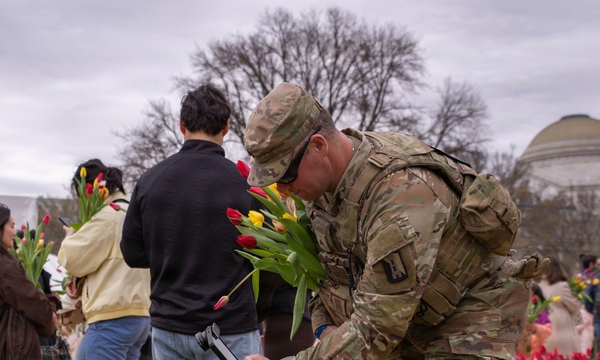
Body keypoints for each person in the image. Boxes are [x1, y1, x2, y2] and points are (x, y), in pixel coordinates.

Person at [242, 82, 548, 359]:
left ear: (319, 146)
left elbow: (376, 331)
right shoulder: (323, 189)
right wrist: (326, 331)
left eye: (284, 174)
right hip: (410, 322)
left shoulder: (402, 193)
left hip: (470, 320)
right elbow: (325, 279)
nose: (281, 188)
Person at [120, 83, 263, 360]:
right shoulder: (245, 183)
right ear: (227, 126)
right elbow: (265, 255)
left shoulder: (150, 181)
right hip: (231, 327)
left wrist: (172, 251)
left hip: (170, 324)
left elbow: (133, 253)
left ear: (181, 124)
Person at [58, 159, 151, 360]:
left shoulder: (109, 216)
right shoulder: (134, 211)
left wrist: (71, 236)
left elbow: (72, 258)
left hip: (113, 317)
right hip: (139, 314)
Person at [0, 202, 55, 360]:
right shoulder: (5, 266)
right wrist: (50, 309)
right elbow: (31, 300)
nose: (15, 232)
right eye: (11, 226)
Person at [538, 256, 582, 355]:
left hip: (544, 325)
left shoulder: (539, 285)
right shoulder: (562, 286)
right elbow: (574, 307)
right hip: (562, 327)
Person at [577, 254, 597, 352]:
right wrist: (592, 309)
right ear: (591, 264)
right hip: (588, 311)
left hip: (578, 310)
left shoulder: (579, 276)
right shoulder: (593, 278)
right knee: (588, 337)